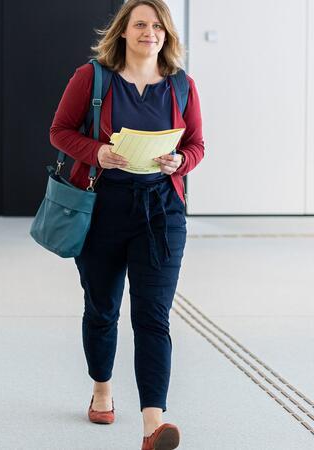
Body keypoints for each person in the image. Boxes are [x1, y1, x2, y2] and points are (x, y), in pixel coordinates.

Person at [49, 1, 204, 449]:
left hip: (162, 211)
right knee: (102, 308)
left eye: (157, 26)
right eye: (140, 24)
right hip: (102, 208)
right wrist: (95, 152)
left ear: (167, 35)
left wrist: (180, 161)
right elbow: (59, 131)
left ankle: (153, 424)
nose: (149, 32)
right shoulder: (92, 78)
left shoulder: (182, 87)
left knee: (153, 316)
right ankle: (101, 390)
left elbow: (196, 144)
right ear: (123, 31)